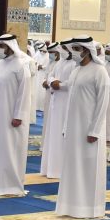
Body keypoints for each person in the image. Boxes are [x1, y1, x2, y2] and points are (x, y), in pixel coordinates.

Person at [55, 37, 109, 219]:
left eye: (77, 48)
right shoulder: (76, 70)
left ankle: (89, 208)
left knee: (89, 167)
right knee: (73, 166)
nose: (75, 52)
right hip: (73, 127)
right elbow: (71, 100)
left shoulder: (99, 71)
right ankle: (71, 206)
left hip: (89, 129)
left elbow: (103, 103)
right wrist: (65, 126)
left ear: (86, 50)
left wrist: (95, 130)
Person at [0, 34, 31, 196]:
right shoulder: (1, 64)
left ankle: (11, 186)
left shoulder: (20, 65)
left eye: (2, 46)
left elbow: (24, 93)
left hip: (13, 117)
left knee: (11, 149)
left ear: (10, 47)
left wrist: (19, 115)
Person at [40, 42, 76, 179]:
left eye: (66, 48)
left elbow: (72, 83)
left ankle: (60, 169)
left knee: (62, 135)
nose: (64, 51)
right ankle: (51, 167)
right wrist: (51, 82)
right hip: (56, 103)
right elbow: (51, 75)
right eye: (63, 48)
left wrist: (58, 84)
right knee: (53, 134)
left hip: (67, 102)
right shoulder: (60, 62)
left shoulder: (75, 64)